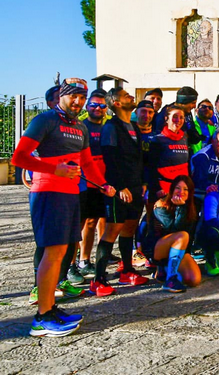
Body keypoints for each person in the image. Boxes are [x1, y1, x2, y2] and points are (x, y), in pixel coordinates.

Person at [12, 78, 115, 336]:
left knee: (63, 253)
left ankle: (50, 307)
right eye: (73, 97)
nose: (78, 102)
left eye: (82, 97)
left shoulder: (78, 126)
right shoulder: (45, 120)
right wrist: (54, 168)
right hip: (48, 193)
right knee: (53, 253)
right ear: (61, 97)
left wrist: (103, 185)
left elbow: (88, 164)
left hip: (71, 195)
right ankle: (42, 317)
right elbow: (19, 157)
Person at [94, 87, 149, 296]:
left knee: (129, 229)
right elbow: (110, 158)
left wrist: (143, 183)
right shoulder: (111, 127)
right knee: (112, 231)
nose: (131, 97)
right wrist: (119, 187)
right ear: (116, 103)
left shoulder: (134, 126)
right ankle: (99, 279)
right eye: (126, 95)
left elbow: (140, 158)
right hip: (119, 189)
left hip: (136, 187)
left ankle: (127, 270)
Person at [67, 90, 108, 285]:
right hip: (83, 182)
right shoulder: (81, 126)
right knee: (79, 225)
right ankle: (70, 265)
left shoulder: (109, 127)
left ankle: (85, 261)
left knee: (93, 222)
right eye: (93, 104)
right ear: (87, 107)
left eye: (101, 105)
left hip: (101, 182)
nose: (97, 108)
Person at [140, 175, 201, 292]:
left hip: (180, 247)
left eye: (185, 189)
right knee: (182, 235)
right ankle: (170, 278)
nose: (181, 192)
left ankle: (165, 269)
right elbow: (174, 229)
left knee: (194, 280)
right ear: (172, 189)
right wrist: (180, 208)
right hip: (158, 247)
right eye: (177, 188)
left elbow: (190, 233)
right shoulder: (161, 205)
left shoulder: (192, 206)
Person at [190, 128, 219, 204]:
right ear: (213, 141)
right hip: (199, 195)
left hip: (217, 192)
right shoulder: (203, 156)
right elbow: (199, 181)